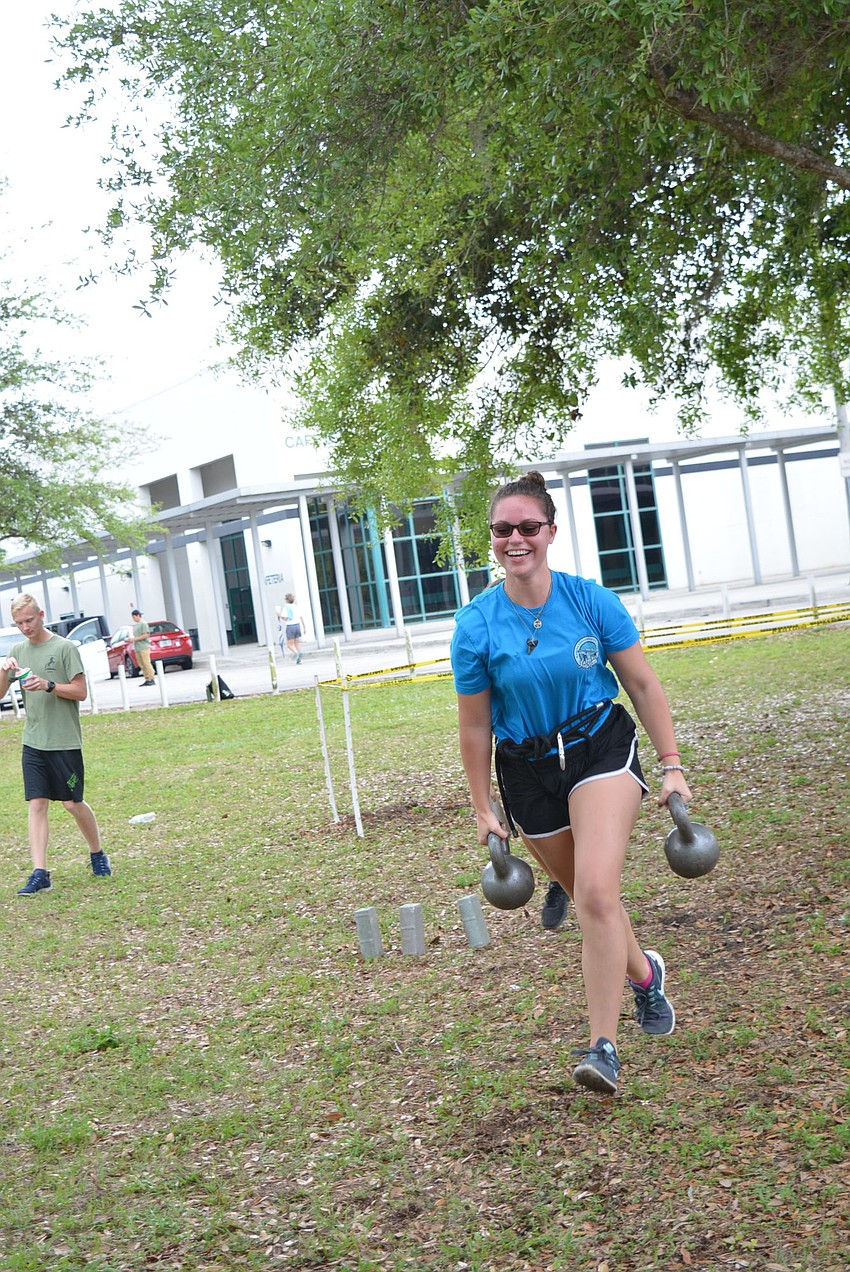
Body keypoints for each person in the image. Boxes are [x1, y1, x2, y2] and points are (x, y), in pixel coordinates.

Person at [450, 472, 691, 1095]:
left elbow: (641, 684)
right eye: (503, 530)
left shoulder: (589, 601)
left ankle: (602, 1047)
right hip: (526, 769)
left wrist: (670, 765)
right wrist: (482, 808)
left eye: (528, 527)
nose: (515, 539)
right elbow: (475, 726)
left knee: (595, 894)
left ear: (551, 532)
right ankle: (644, 973)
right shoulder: (475, 625)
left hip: (598, 747)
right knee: (590, 899)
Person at [0, 593, 112, 896]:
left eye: (29, 620)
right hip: (33, 740)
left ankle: (97, 853)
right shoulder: (17, 650)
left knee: (72, 803)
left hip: (64, 741)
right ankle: (40, 873)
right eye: (19, 622)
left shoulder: (65, 648)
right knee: (37, 804)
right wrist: (4, 671)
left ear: (41, 614)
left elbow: (80, 692)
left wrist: (48, 685)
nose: (25, 627)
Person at [276, 593, 305, 665]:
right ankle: (299, 659)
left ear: (286, 599)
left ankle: (297, 653)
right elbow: (301, 617)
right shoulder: (296, 607)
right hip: (297, 625)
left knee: (289, 644)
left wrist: (279, 615)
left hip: (290, 626)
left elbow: (286, 618)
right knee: (296, 643)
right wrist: (304, 627)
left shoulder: (285, 607)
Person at [130, 608, 156, 686]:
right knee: (141, 664)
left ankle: (152, 678)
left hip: (143, 646)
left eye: (134, 617)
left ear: (138, 616)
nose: (133, 619)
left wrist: (135, 639)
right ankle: (147, 678)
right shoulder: (135, 626)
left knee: (146, 662)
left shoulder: (143, 624)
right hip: (137, 647)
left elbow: (146, 634)